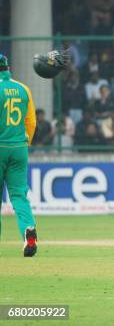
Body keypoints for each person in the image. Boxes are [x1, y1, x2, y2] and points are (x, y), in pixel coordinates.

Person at [0, 54, 38, 256]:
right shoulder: (24, 89)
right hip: (19, 148)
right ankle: (28, 231)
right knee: (19, 196)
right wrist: (25, 142)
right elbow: (31, 123)